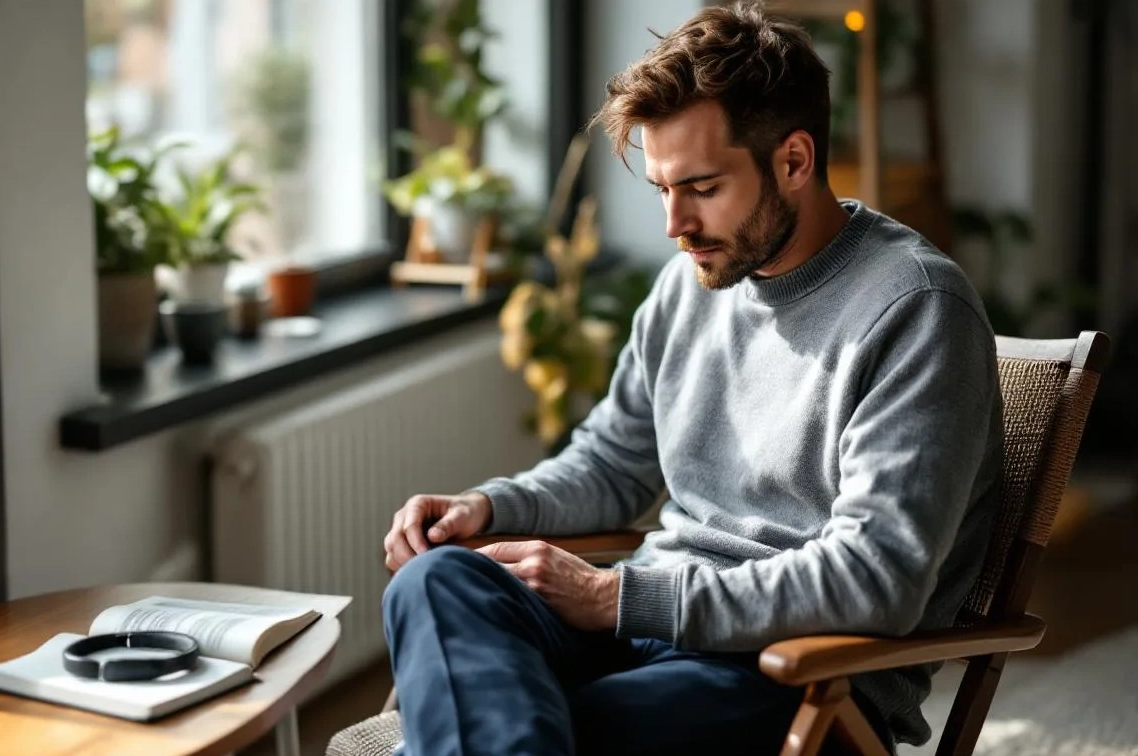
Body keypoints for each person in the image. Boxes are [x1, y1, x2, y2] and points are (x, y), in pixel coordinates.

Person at [380, 2, 1003, 754]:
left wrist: (616, 596)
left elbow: (875, 580)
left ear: (795, 161)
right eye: (661, 190)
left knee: (516, 726)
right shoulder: (690, 285)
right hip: (646, 631)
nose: (675, 225)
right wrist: (486, 507)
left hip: (798, 678)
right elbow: (611, 464)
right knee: (438, 581)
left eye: (702, 188)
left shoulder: (915, 309)